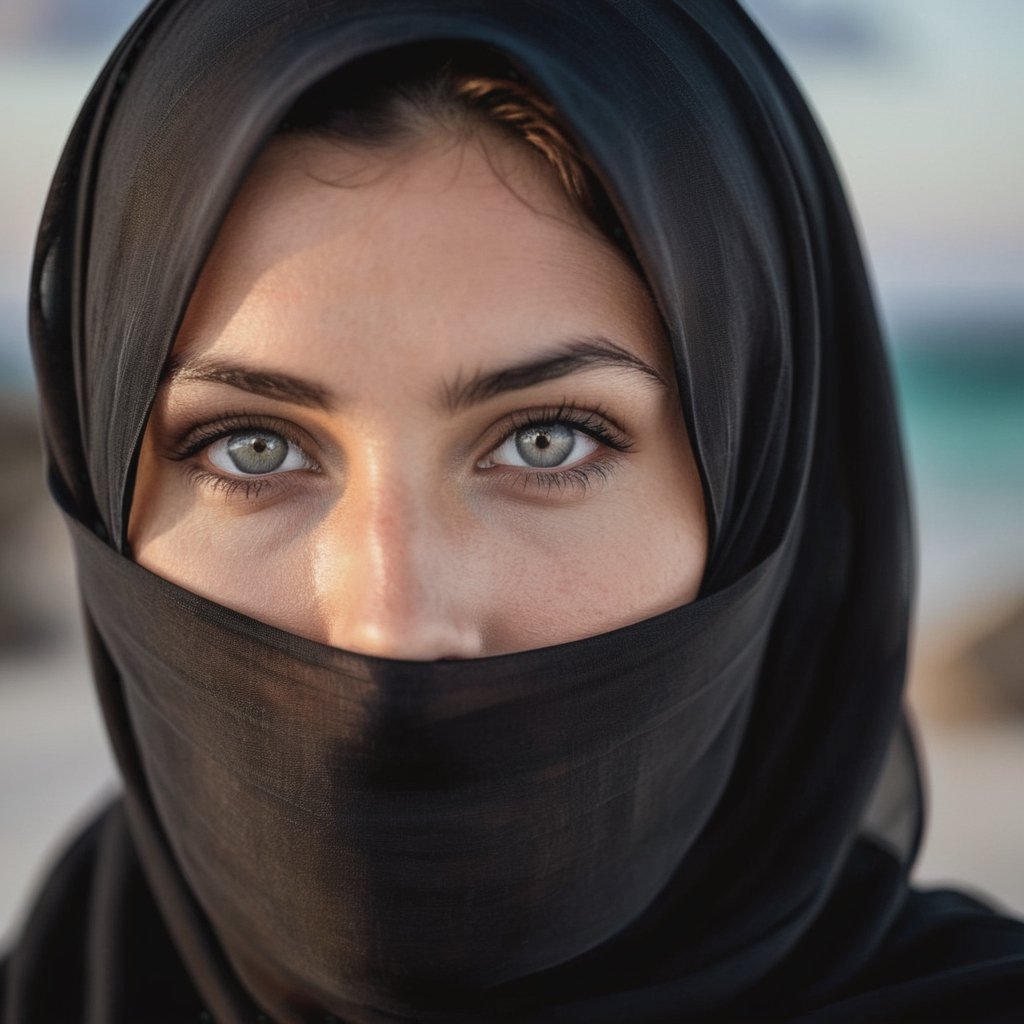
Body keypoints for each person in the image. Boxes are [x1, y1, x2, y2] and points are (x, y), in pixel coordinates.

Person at [2, 1, 1022, 1021]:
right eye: (250, 447)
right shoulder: (77, 970)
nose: (391, 623)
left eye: (549, 440)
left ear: (762, 484)